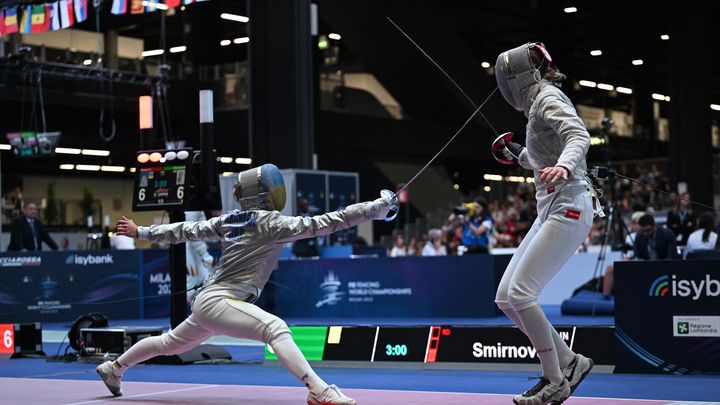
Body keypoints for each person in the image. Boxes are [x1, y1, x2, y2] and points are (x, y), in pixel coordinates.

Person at [95, 164, 396, 405]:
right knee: (275, 329)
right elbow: (328, 222)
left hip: (212, 300)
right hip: (218, 300)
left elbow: (185, 230)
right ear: (264, 195)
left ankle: (114, 368)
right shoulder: (272, 224)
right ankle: (318, 390)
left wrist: (142, 231)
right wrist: (372, 210)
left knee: (168, 343)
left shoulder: (229, 220)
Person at [493, 42, 596, 404]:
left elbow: (578, 135)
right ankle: (571, 362)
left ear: (520, 77)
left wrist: (565, 166)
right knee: (507, 296)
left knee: (522, 293)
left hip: (569, 205)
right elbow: (543, 157)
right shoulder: (538, 103)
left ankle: (554, 380)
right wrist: (519, 155)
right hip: (552, 206)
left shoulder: (548, 98)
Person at [602, 211, 644, 297]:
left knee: (610, 268)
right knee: (612, 267)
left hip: (639, 262)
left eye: (634, 223)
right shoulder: (631, 236)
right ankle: (606, 295)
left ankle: (605, 296)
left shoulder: (640, 235)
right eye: (632, 222)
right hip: (632, 261)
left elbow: (633, 255)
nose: (632, 225)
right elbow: (627, 255)